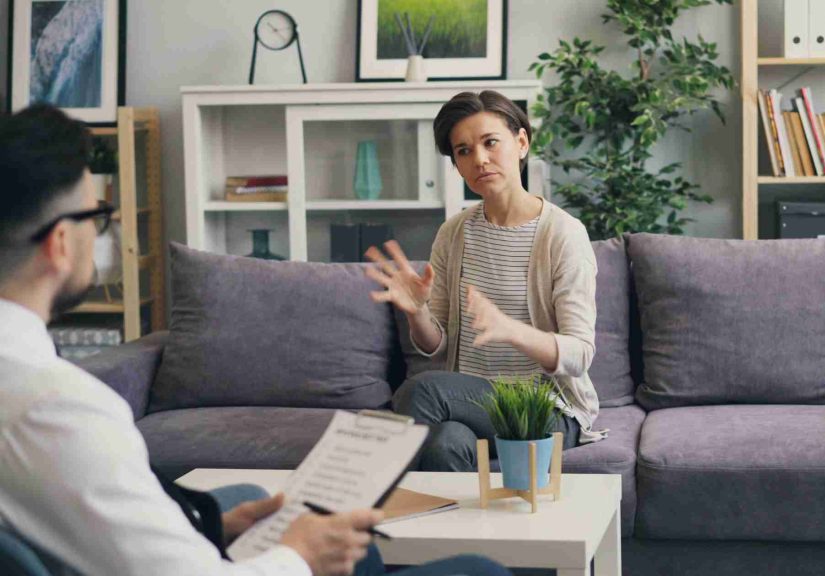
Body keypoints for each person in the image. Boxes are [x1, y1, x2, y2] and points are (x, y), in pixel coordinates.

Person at [0, 104, 510, 576]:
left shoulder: (30, 388)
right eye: (98, 217)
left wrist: (213, 525)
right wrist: (301, 554)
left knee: (296, 518)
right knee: (479, 569)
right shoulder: (58, 408)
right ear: (61, 243)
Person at [365, 90, 606, 472]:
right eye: (462, 151)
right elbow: (437, 345)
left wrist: (511, 329)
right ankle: (459, 532)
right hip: (473, 408)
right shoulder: (454, 233)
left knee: (423, 389)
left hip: (548, 410)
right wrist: (417, 313)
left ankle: (372, 505)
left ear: (521, 142)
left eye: (490, 142)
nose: (478, 159)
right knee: (445, 444)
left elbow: (579, 355)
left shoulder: (562, 234)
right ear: (457, 165)